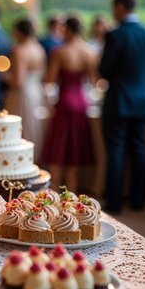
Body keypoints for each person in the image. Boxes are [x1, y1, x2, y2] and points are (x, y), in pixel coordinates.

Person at [99, 0, 145, 213]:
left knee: (115, 151)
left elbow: (104, 71)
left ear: (120, 7)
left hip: (118, 101)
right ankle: (137, 200)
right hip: (142, 102)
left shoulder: (115, 35)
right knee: (139, 150)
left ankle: (115, 203)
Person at [40, 17, 96, 193]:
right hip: (81, 102)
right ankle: (70, 200)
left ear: (69, 30)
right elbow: (94, 81)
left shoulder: (60, 51)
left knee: (58, 150)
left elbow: (49, 79)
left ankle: (55, 197)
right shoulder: (90, 51)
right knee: (74, 152)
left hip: (64, 102)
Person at [3, 18, 47, 158]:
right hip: (37, 94)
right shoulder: (39, 49)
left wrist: (3, 75)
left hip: (22, 96)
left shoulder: (19, 51)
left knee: (20, 132)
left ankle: (20, 163)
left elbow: (18, 82)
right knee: (34, 130)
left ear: (18, 32)